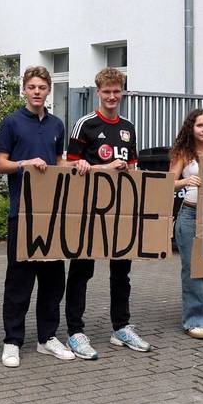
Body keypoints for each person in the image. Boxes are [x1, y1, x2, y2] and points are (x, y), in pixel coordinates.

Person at [64, 67, 152, 360]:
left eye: (117, 91)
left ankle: (121, 327)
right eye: (107, 92)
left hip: (120, 211)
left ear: (122, 92)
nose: (112, 96)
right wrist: (103, 168)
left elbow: (134, 168)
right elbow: (68, 167)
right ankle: (75, 331)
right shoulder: (85, 125)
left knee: (121, 271)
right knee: (81, 271)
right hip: (88, 210)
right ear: (98, 92)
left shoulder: (128, 127)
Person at [0, 66, 74, 368]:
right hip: (22, 213)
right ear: (24, 90)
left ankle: (47, 338)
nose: (37, 91)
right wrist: (24, 163)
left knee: (54, 279)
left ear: (49, 90)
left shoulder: (56, 124)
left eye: (42, 87)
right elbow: (0, 164)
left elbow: (57, 163)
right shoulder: (11, 122)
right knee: (19, 279)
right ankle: (12, 341)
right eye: (32, 87)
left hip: (52, 215)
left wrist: (74, 167)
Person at [169, 110, 203, 339]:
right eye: (199, 125)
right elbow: (167, 183)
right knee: (193, 269)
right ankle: (195, 320)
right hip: (189, 215)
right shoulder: (183, 153)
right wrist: (185, 181)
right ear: (191, 127)